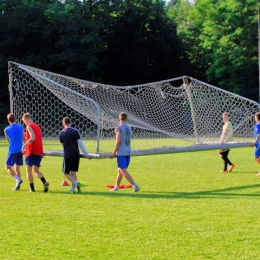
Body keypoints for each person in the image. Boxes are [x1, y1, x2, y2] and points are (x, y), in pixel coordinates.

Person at [59, 117, 91, 194]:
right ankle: (73, 189)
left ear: (63, 124)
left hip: (68, 154)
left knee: (66, 173)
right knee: (73, 172)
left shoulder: (61, 133)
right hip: (76, 154)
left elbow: (63, 145)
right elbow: (80, 143)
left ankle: (76, 184)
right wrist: (86, 154)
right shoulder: (76, 131)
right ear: (71, 123)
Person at [110, 112, 140, 192]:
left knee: (122, 170)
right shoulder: (129, 128)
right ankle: (116, 187)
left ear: (119, 118)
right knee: (120, 170)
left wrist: (114, 152)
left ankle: (135, 185)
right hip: (128, 150)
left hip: (121, 152)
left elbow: (118, 142)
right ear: (126, 119)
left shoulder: (118, 128)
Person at [22, 113, 49, 192]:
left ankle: (32, 189)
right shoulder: (37, 126)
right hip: (38, 152)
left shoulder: (29, 126)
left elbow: (33, 138)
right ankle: (45, 182)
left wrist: (24, 145)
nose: (24, 123)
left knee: (28, 171)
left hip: (31, 152)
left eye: (24, 121)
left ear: (26, 119)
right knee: (36, 171)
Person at [4, 113, 24, 190]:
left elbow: (8, 140)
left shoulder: (6, 129)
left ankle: (18, 180)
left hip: (12, 150)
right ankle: (17, 185)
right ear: (15, 119)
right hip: (20, 150)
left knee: (7, 167)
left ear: (8, 120)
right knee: (17, 168)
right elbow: (23, 137)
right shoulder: (21, 126)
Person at [252, 112, 260, 176]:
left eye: (255, 117)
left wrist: (255, 142)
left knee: (256, 157)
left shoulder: (257, 125)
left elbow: (259, 134)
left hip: (259, 143)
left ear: (257, 118)